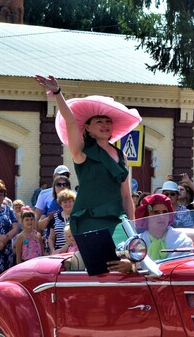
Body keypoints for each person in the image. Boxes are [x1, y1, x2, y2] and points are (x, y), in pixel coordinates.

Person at [35, 75, 139, 242]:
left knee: (124, 263)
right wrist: (57, 92)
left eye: (108, 121)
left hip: (117, 219)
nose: (105, 125)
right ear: (88, 128)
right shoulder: (82, 152)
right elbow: (70, 122)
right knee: (97, 265)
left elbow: (126, 196)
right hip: (89, 220)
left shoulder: (121, 156)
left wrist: (132, 228)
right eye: (99, 121)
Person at [134, 194, 193, 259]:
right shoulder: (136, 243)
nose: (161, 216)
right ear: (146, 217)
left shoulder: (182, 241)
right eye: (156, 212)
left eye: (165, 212)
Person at [34, 165, 72, 229]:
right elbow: (37, 217)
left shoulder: (74, 196)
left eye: (67, 175)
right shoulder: (44, 194)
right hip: (50, 235)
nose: (64, 177)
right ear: (54, 176)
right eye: (61, 174)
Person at [49, 189, 76, 254]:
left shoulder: (77, 217)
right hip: (59, 252)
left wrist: (67, 246)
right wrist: (53, 251)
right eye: (65, 202)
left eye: (70, 201)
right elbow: (51, 238)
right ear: (60, 204)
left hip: (74, 251)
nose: (68, 204)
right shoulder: (55, 217)